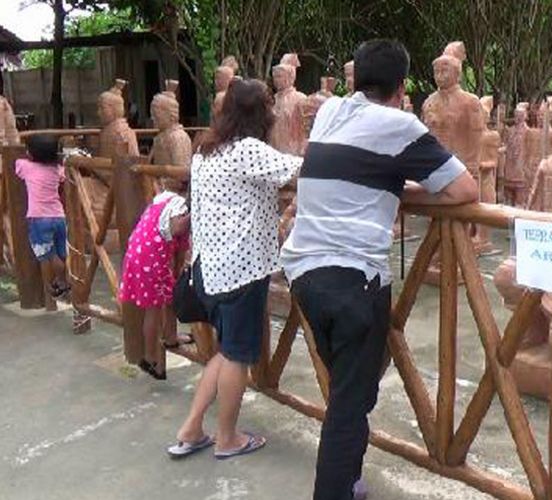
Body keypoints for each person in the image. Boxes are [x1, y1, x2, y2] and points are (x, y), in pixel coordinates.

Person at [280, 39, 478, 500]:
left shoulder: (330, 113)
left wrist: (388, 183)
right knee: (349, 406)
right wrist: (403, 190)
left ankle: (349, 482)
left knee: (350, 388)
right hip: (354, 279)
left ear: (357, 80)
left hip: (305, 273)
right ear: (403, 87)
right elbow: (465, 189)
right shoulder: (400, 125)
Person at [169, 79, 303, 459]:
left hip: (208, 271)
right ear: (259, 114)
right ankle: (227, 438)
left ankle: (192, 429)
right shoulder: (247, 151)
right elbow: (302, 168)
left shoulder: (205, 150)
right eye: (269, 107)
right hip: (241, 273)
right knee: (238, 356)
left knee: (226, 352)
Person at [118, 178, 192, 380]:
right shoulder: (180, 206)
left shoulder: (160, 201)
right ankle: (150, 357)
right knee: (154, 308)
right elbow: (177, 230)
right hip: (151, 260)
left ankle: (170, 337)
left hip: (137, 253)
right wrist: (194, 213)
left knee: (166, 297)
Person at [15, 134, 69, 298]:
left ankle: (62, 280)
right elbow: (63, 175)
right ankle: (59, 282)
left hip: (39, 218)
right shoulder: (57, 169)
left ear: (31, 154)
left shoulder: (26, 167)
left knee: (48, 254)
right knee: (60, 253)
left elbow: (17, 164)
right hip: (58, 216)